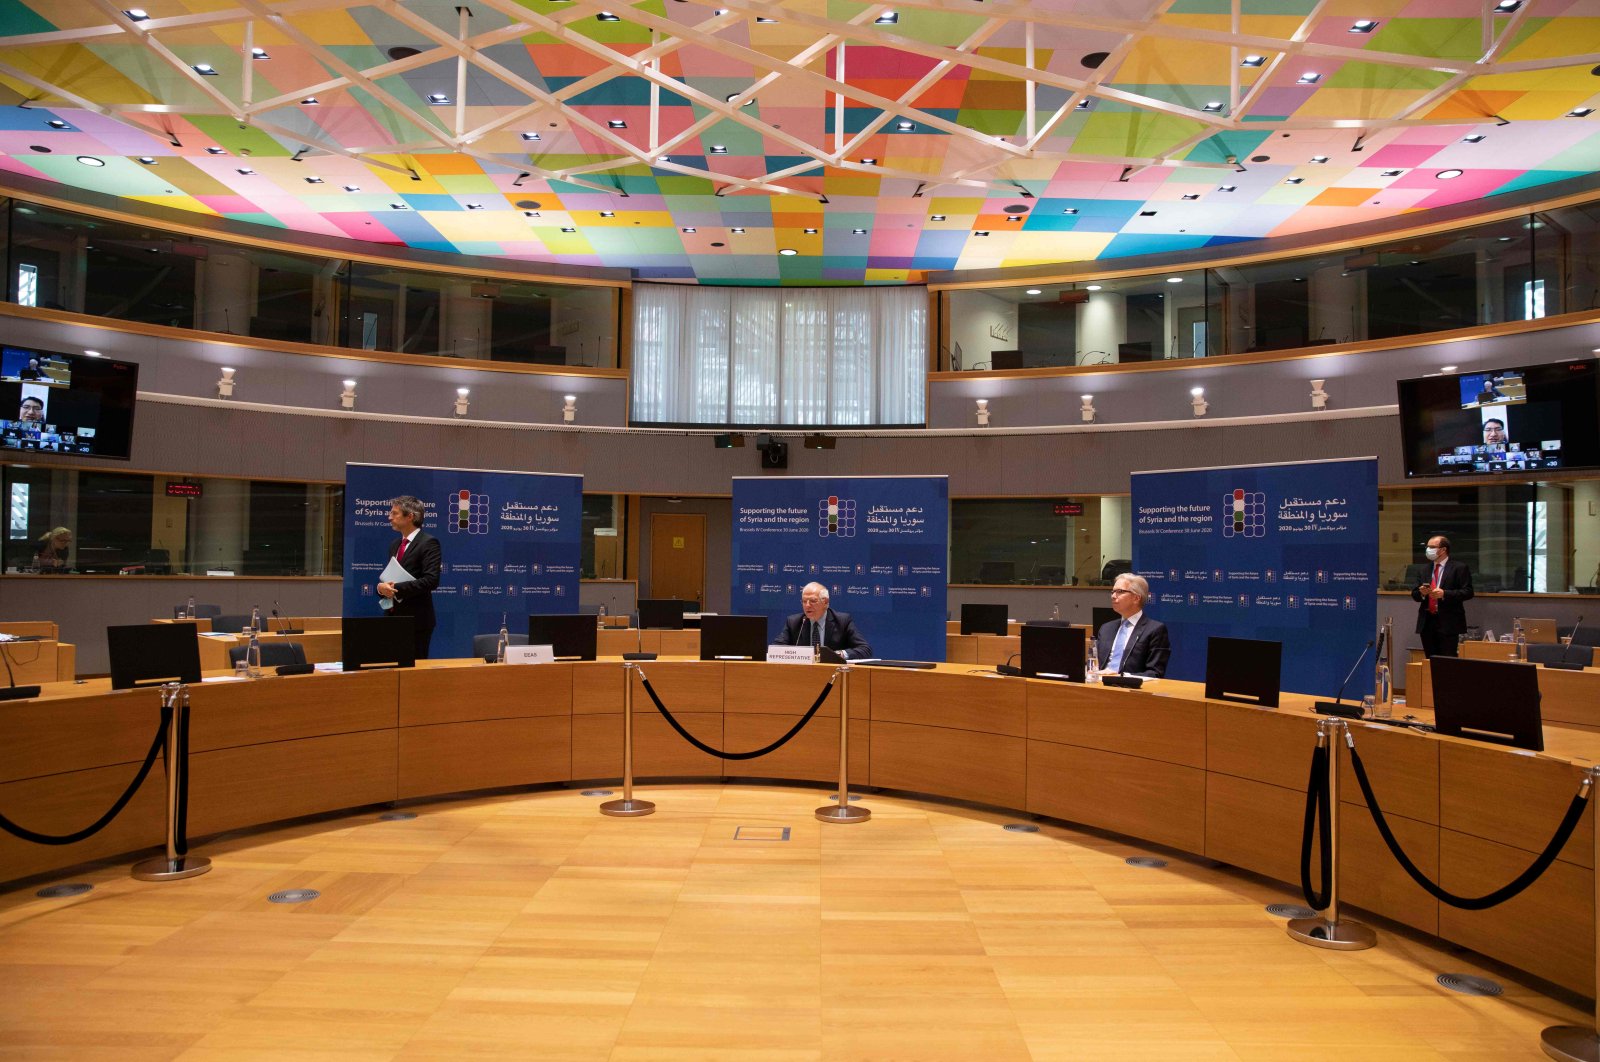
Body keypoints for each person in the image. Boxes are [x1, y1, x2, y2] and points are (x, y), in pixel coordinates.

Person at [377, 495, 441, 659]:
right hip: (392, 618)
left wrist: (395, 589)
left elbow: (431, 580)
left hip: (416, 620)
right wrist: (381, 588)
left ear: (410, 516)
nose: (389, 517)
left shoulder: (429, 543)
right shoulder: (395, 545)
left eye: (395, 513)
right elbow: (389, 578)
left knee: (412, 674)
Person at [1095, 573, 1170, 679]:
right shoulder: (1106, 628)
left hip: (1131, 690)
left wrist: (1121, 677)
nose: (1113, 596)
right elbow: (1095, 663)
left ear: (1136, 598)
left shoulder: (1155, 630)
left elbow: (1155, 673)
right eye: (1113, 592)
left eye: (1120, 592)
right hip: (1099, 687)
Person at [775, 581, 872, 660]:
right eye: (804, 601)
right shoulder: (794, 622)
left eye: (813, 601)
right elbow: (776, 649)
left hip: (832, 674)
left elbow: (865, 649)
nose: (807, 605)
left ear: (825, 602)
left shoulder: (842, 621)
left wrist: (839, 654)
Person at [1412, 534, 1473, 658]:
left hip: (1449, 622)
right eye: (1427, 546)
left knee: (1447, 661)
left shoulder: (1459, 568)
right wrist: (1422, 593)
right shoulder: (1424, 570)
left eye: (1432, 547)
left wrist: (1444, 593)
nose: (1428, 549)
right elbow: (1415, 594)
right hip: (1427, 621)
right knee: (1430, 660)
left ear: (1443, 549)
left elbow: (1468, 592)